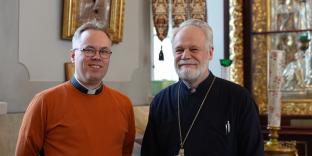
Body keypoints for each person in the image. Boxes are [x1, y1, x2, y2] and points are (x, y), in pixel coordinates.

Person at [141, 19, 264, 156]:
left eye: (194, 49)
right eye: (179, 50)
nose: (185, 55)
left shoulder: (239, 99)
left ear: (210, 53)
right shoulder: (160, 102)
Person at [15, 21, 135, 156]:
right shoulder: (44, 102)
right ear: (73, 56)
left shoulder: (124, 105)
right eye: (89, 50)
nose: (97, 57)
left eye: (104, 51)